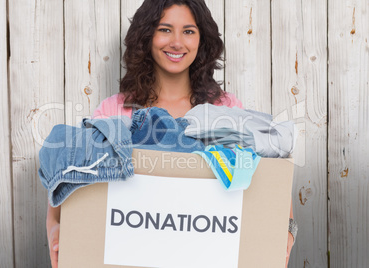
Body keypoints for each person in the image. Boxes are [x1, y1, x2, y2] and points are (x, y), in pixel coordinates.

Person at [46, 0, 295, 267]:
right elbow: (70, 178)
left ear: (201, 40)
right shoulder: (114, 111)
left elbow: (267, 180)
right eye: (165, 29)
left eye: (188, 31)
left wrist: (287, 233)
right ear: (146, 36)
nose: (177, 42)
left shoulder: (226, 110)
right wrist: (55, 229)